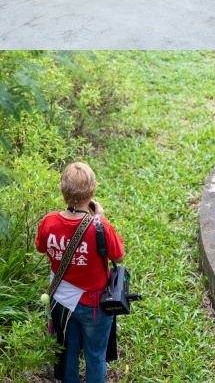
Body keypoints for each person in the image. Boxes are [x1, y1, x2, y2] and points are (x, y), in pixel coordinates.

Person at [36, 163, 125, 383]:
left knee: (68, 354)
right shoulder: (100, 227)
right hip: (94, 305)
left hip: (61, 303)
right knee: (95, 356)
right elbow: (119, 257)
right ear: (92, 193)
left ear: (63, 192)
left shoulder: (49, 222)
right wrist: (101, 218)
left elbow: (41, 247)